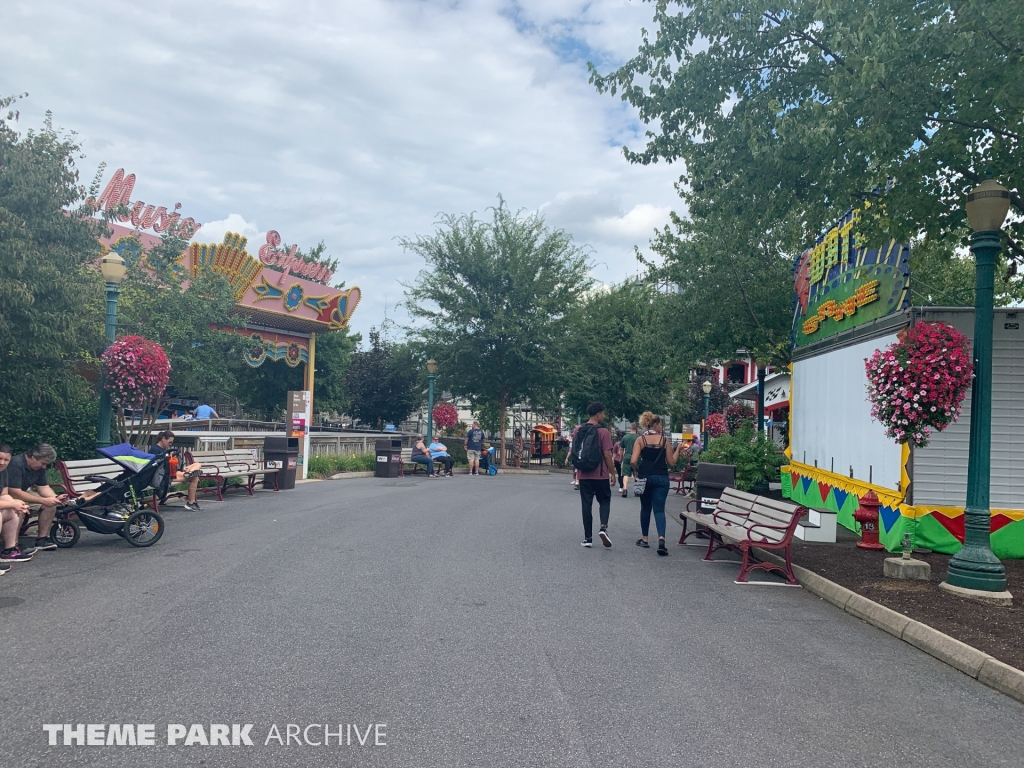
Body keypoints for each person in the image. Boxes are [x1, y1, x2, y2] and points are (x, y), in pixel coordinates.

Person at [631, 412, 685, 556]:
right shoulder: (664, 440)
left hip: (645, 478)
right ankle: (661, 539)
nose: (661, 426)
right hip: (661, 478)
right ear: (654, 425)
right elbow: (672, 462)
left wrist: (637, 471)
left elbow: (633, 461)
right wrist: (678, 450)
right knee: (659, 510)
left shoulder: (640, 440)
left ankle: (645, 539)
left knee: (645, 508)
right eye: (660, 424)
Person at [4, 444, 68, 552]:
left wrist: (55, 498)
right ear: (33, 457)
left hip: (23, 493)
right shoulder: (16, 464)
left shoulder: (39, 467)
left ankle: (41, 539)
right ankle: (13, 546)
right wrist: (43, 500)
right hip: (10, 495)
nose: (44, 467)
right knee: (19, 506)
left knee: (50, 505)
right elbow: (14, 492)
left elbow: (43, 488)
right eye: (43, 463)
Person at [573, 401, 616, 548]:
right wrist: (613, 473)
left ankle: (588, 538)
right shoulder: (603, 432)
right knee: (604, 500)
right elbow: (607, 454)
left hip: (583, 474)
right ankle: (603, 527)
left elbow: (575, 451)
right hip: (600, 474)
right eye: (603, 413)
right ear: (598, 414)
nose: (603, 416)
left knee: (586, 504)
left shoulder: (578, 430)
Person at [150, 431, 204, 511]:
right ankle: (191, 503)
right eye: (170, 442)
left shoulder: (164, 449)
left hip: (173, 471)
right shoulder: (155, 449)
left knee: (198, 464)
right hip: (166, 475)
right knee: (195, 478)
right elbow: (158, 466)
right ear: (163, 439)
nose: (170, 444)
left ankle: (190, 473)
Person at [0, 444, 34, 565]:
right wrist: (12, 504)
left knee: (13, 512)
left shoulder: (3, 472)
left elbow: (3, 494)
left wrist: (16, 503)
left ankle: (9, 550)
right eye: (0, 459)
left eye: (6, 460)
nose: (2, 463)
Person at [619, 423, 640, 498]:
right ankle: (637, 490)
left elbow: (621, 449)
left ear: (630, 428)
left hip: (627, 457)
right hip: (636, 457)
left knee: (625, 474)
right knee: (636, 473)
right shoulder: (639, 437)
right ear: (636, 428)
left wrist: (620, 458)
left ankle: (625, 489)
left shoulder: (625, 437)